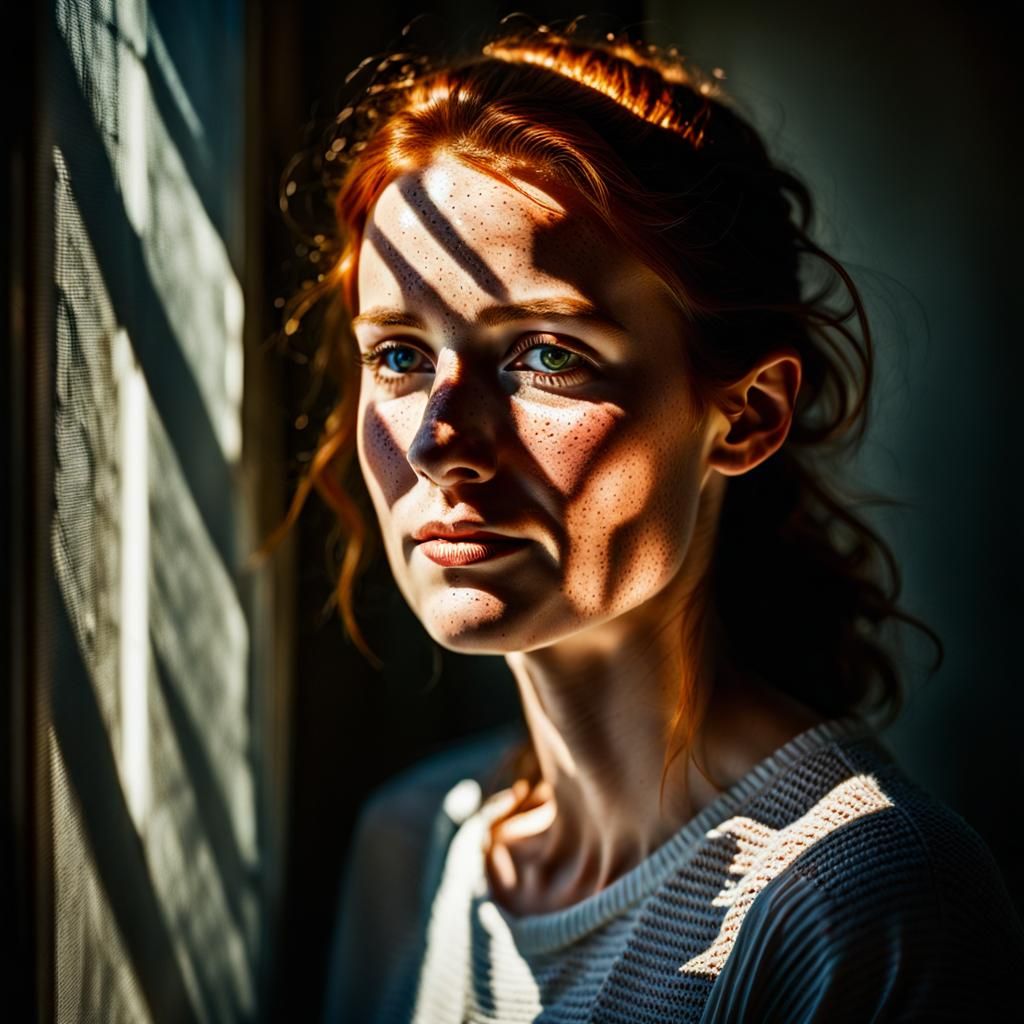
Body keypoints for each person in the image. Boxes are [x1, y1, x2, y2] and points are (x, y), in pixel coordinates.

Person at [264, 16, 1024, 1022]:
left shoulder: (861, 902)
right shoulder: (412, 851)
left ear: (743, 416)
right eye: (398, 356)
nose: (439, 436)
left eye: (544, 354)